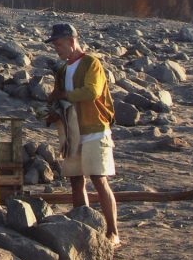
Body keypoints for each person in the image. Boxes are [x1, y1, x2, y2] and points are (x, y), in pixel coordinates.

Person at [45, 22, 120, 247]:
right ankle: (82, 226)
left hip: (94, 129)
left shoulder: (91, 64)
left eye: (58, 44)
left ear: (71, 41)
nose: (56, 48)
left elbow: (91, 92)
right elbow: (63, 100)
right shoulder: (62, 70)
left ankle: (113, 232)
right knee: (76, 180)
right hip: (72, 131)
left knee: (99, 179)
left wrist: (63, 95)